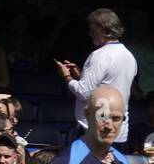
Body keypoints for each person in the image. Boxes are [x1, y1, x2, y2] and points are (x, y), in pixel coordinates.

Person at [57, 9, 138, 144]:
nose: (89, 34)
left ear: (102, 28)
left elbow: (83, 92)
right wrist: (82, 75)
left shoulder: (100, 55)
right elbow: (108, 84)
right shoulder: (129, 56)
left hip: (95, 132)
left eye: (92, 29)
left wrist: (66, 77)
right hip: (118, 132)